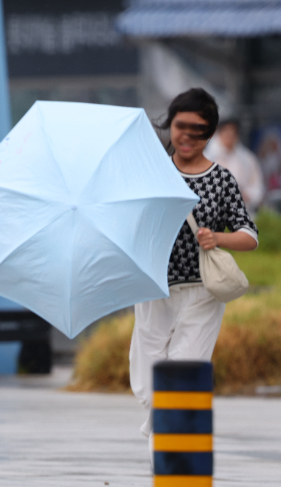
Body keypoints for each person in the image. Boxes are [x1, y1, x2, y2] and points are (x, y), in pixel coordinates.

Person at [129, 88, 259, 448]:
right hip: (153, 289)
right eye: (180, 125)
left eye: (198, 129)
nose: (187, 135)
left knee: (182, 373)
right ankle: (167, 438)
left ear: (210, 133)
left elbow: (249, 235)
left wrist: (218, 238)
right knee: (148, 380)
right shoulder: (151, 175)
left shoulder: (222, 180)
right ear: (170, 125)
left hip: (202, 291)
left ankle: (170, 455)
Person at [204, 119, 265, 214]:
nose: (229, 136)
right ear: (219, 133)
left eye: (233, 132)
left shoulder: (247, 158)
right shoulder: (207, 157)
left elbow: (256, 184)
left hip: (242, 210)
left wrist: (248, 195)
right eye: (226, 132)